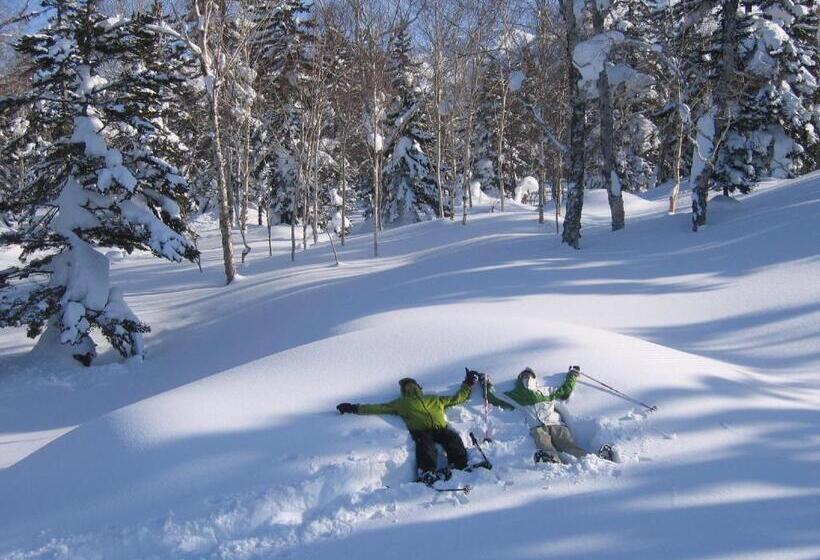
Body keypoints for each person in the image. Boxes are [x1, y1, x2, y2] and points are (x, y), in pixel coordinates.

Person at [337, 370, 478, 484]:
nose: (410, 386)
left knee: (452, 438)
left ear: (418, 386)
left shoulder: (434, 398)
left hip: (440, 428)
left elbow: (456, 399)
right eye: (406, 386)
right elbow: (378, 408)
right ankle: (427, 472)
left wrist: (467, 384)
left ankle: (459, 464)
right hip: (421, 431)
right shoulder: (401, 403)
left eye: (412, 384)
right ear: (403, 390)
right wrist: (353, 408)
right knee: (426, 446)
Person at [477, 365, 615, 464]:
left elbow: (564, 391)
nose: (527, 378)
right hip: (538, 427)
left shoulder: (546, 391)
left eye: (529, 375)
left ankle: (597, 460)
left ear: (534, 378)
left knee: (569, 446)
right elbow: (495, 398)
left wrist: (572, 376)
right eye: (524, 376)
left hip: (556, 424)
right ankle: (552, 461)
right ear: (519, 379)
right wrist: (485, 384)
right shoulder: (515, 395)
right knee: (544, 445)